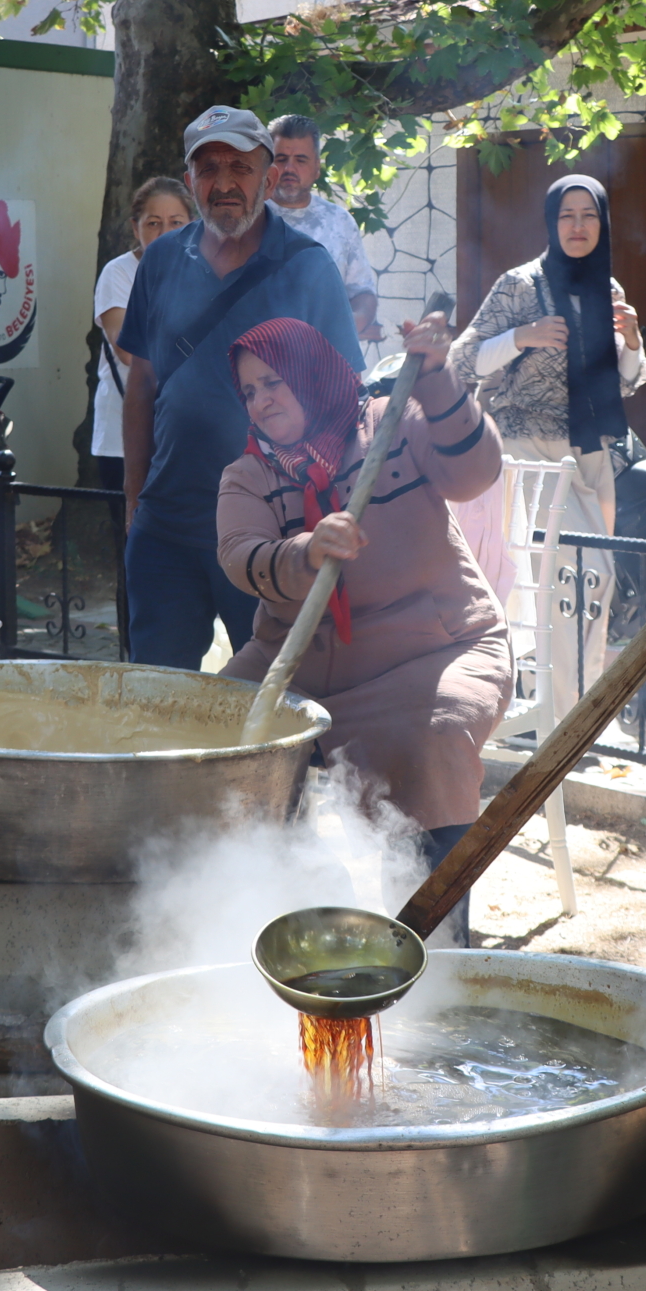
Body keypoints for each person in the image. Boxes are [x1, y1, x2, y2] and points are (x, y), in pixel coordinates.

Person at [215, 314, 509, 892]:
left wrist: (439, 381)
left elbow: (476, 472)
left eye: (274, 381)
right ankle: (301, 898)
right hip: (296, 670)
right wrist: (305, 551)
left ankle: (428, 938)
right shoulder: (248, 473)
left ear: (312, 372)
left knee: (435, 738)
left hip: (433, 655)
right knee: (210, 735)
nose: (261, 402)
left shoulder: (392, 423)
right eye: (249, 391)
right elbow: (239, 555)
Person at [120, 105, 363, 671]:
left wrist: (323, 506)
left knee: (274, 695)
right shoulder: (159, 261)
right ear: (189, 182)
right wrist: (135, 503)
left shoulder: (308, 267)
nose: (224, 183)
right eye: (208, 169)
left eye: (240, 166)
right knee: (153, 696)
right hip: (168, 526)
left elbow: (345, 395)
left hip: (270, 528)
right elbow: (142, 383)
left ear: (270, 177)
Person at [450, 175, 646, 696]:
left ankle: (574, 713)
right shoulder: (520, 285)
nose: (578, 226)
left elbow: (625, 384)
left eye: (589, 215)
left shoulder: (608, 288)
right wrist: (523, 336)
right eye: (567, 215)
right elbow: (461, 360)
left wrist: (631, 339)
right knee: (561, 585)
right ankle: (555, 719)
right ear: (550, 222)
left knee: (593, 583)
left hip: (590, 456)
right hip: (529, 454)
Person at [90, 177, 197, 495]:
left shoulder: (203, 272)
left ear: (192, 225)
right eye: (153, 223)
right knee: (130, 536)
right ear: (135, 227)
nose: (165, 233)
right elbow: (128, 349)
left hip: (182, 435)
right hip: (123, 440)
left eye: (176, 222)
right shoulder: (118, 273)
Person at [267, 114, 384, 351]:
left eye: (301, 160)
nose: (290, 168)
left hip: (329, 363)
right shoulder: (246, 220)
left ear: (317, 168)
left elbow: (362, 293)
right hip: (261, 365)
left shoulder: (339, 221)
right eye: (281, 159)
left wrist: (349, 326)